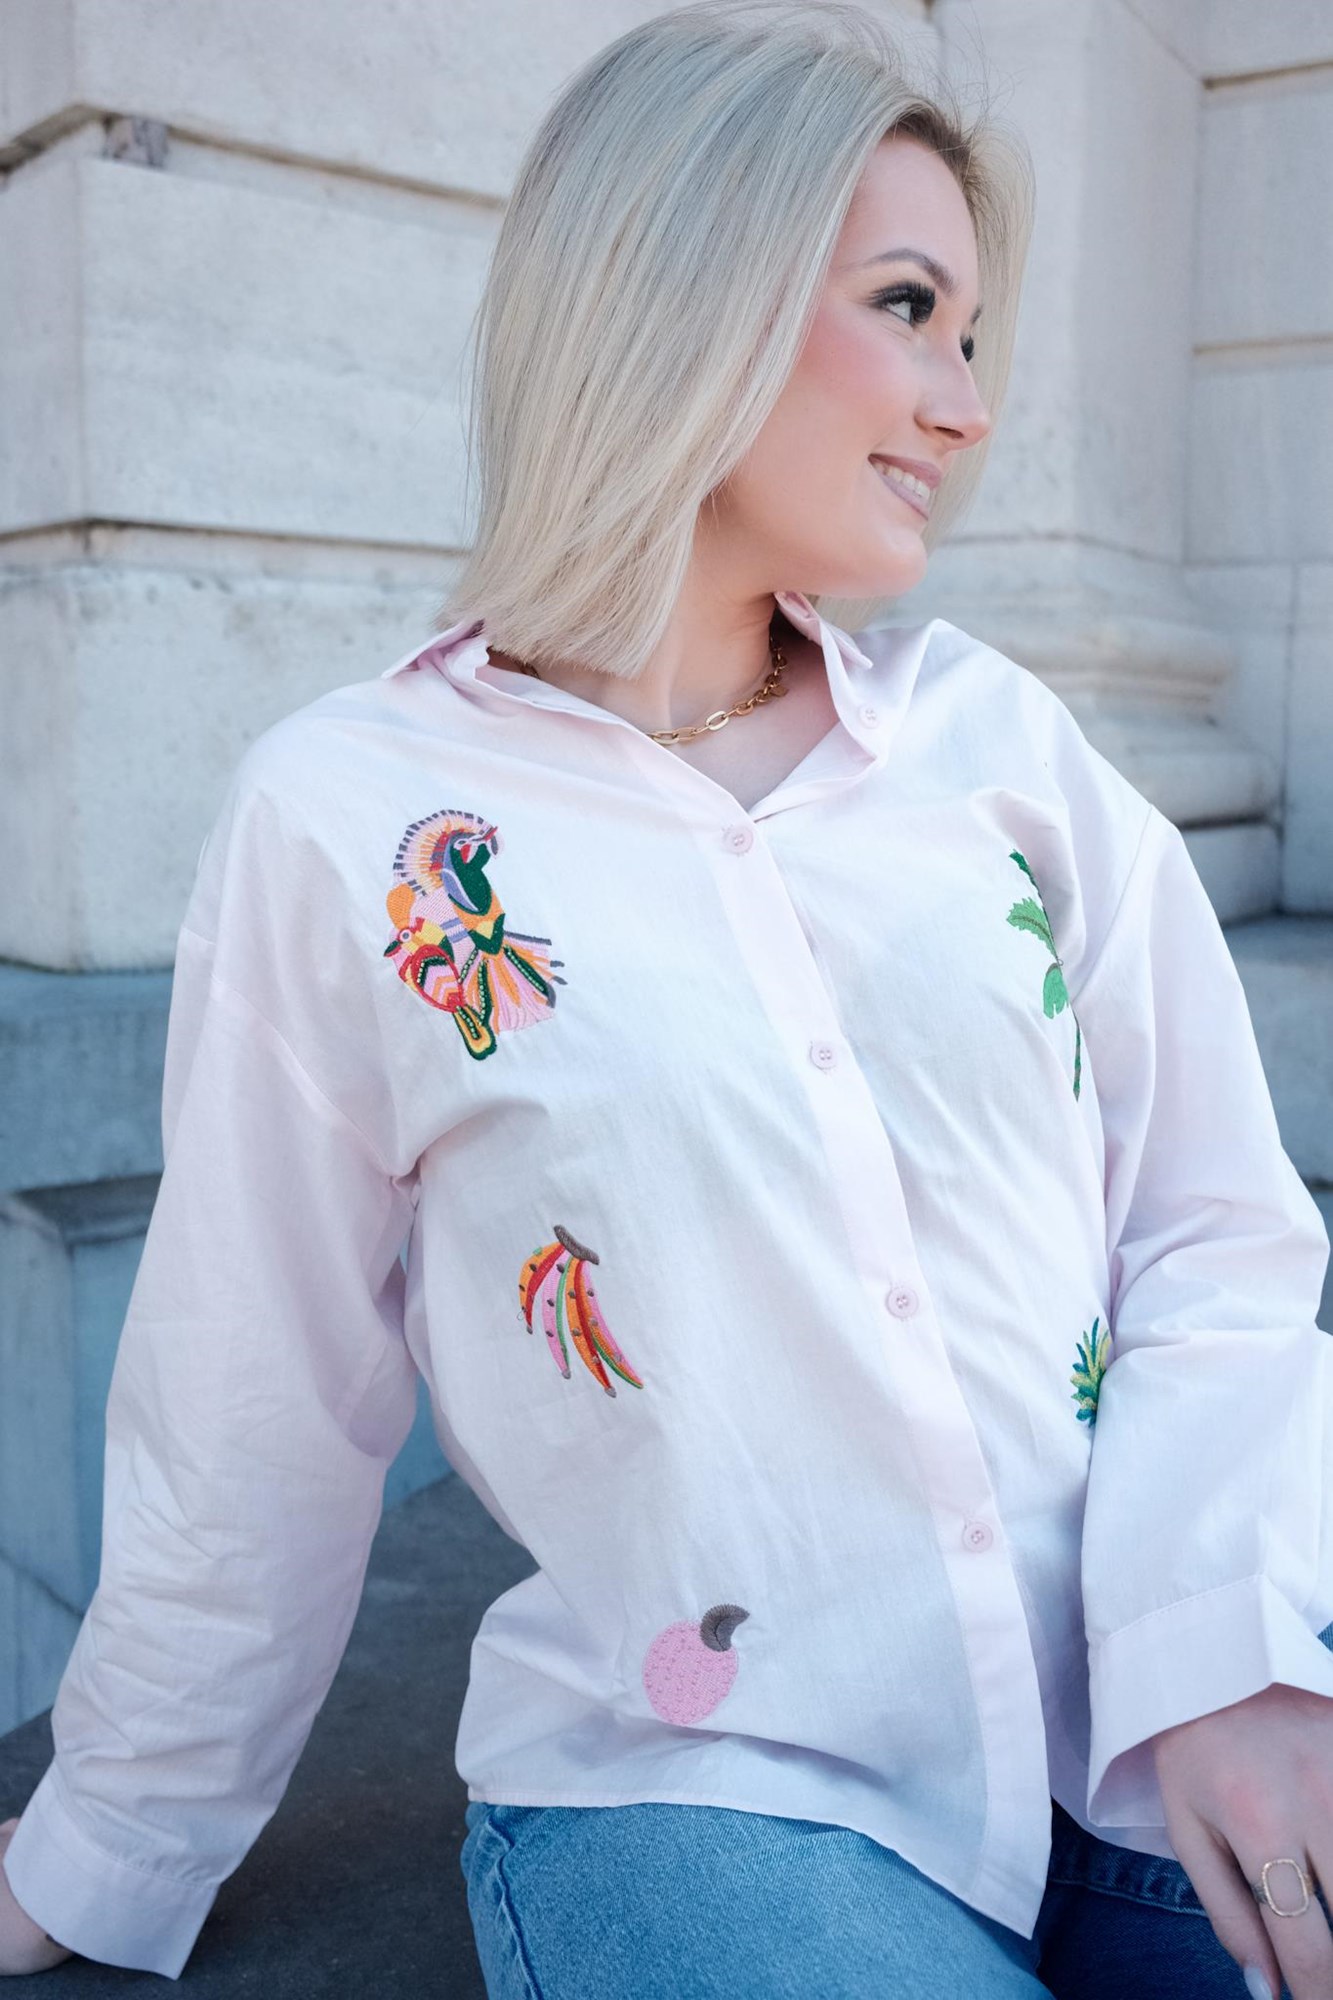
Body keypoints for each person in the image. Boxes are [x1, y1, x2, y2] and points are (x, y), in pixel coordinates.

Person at [3, 2, 1332, 1994]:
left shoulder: (999, 748)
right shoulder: (350, 819)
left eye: (971, 336)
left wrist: (1224, 1649)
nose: (965, 408)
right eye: (910, 309)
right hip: (722, 1803)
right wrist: (102, 1840)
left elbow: (1209, 1225)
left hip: (1148, 1740)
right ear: (687, 287)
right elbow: (252, 1390)